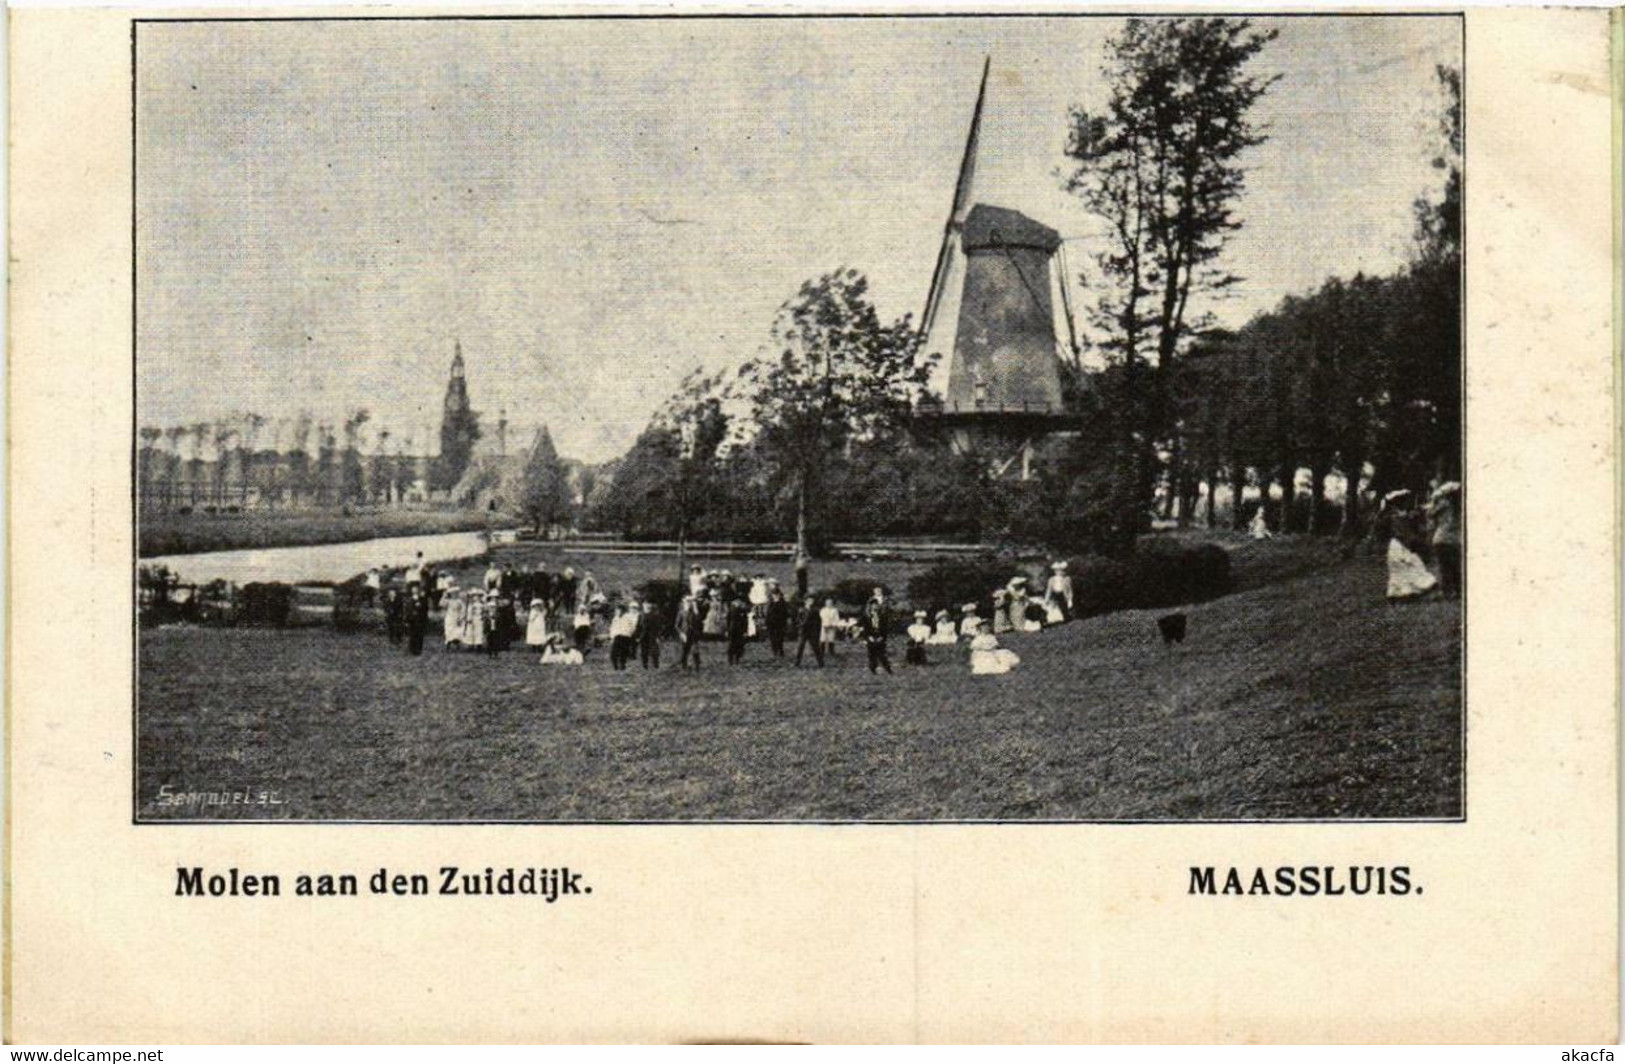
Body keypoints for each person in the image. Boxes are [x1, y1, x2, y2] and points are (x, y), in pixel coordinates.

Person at [1381, 490, 1438, 602]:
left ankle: (1407, 592)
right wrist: (1412, 541)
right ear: (1398, 503)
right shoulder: (1394, 516)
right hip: (1399, 544)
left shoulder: (1404, 515)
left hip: (1402, 543)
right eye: (1404, 501)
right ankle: (1402, 593)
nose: (1407, 503)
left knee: (1410, 565)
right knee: (1405, 566)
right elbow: (1401, 532)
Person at [1429, 481, 1462, 598]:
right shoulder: (1461, 506)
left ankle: (1447, 592)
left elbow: (1430, 513)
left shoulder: (1444, 504)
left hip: (1442, 538)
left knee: (1445, 567)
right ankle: (1458, 590)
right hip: (1456, 539)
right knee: (1456, 567)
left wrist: (1434, 499)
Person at [859, 597, 893, 674]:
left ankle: (888, 669)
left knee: (882, 654)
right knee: (872, 654)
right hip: (870, 636)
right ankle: (873, 669)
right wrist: (868, 637)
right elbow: (865, 628)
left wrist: (882, 637)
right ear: (870, 606)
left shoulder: (882, 616)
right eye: (873, 605)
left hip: (880, 636)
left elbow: (885, 628)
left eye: (876, 605)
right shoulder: (866, 617)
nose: (874, 607)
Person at [677, 594, 706, 671]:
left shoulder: (695, 612)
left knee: (695, 650)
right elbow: (677, 625)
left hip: (694, 634)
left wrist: (696, 610)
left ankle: (697, 666)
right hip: (685, 634)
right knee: (685, 650)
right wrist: (681, 633)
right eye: (688, 602)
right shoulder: (682, 612)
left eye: (691, 602)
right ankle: (684, 665)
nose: (690, 603)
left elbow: (699, 622)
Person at [794, 596, 824, 667]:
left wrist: (817, 630)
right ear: (805, 601)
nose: (810, 602)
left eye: (812, 601)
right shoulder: (801, 610)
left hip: (812, 631)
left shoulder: (815, 610)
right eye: (809, 601)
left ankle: (821, 663)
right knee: (800, 647)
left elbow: (819, 621)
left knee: (816, 647)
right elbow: (797, 620)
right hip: (803, 631)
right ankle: (797, 663)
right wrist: (800, 625)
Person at [608, 603, 637, 670]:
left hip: (625, 637)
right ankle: (615, 666)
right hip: (617, 636)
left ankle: (622, 666)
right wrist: (612, 637)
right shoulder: (615, 618)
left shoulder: (628, 617)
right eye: (616, 610)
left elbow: (632, 627)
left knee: (623, 653)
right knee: (613, 654)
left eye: (618, 610)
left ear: (622, 610)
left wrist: (629, 634)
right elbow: (612, 628)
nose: (617, 611)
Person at [763, 587, 790, 657]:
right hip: (771, 623)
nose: (775, 596)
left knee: (780, 638)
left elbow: (786, 613)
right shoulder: (770, 603)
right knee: (772, 638)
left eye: (777, 594)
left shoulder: (782, 603)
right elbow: (768, 613)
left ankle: (780, 651)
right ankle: (775, 651)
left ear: (780, 595)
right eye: (774, 594)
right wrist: (766, 622)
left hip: (780, 623)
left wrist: (784, 622)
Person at [404, 585, 429, 656]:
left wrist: (422, 616)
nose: (415, 591)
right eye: (413, 590)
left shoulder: (423, 599)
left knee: (420, 635)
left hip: (420, 620)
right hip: (412, 620)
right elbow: (407, 610)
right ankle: (412, 649)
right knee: (412, 635)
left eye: (416, 590)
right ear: (412, 591)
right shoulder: (409, 600)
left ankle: (418, 650)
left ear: (418, 591)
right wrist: (407, 620)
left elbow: (425, 610)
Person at [726, 596, 751, 665]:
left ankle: (737, 659)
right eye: (737, 602)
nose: (739, 603)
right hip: (732, 629)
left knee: (740, 645)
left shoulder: (743, 610)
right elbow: (728, 620)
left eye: (740, 602)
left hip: (740, 630)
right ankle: (730, 659)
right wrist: (727, 630)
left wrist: (745, 631)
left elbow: (745, 622)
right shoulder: (731, 609)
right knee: (731, 645)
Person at [637, 601, 662, 669]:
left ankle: (656, 666)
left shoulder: (655, 615)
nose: (646, 606)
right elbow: (638, 627)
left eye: (648, 604)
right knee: (644, 652)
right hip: (643, 636)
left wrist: (658, 637)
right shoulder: (641, 615)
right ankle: (645, 666)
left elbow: (658, 627)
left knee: (654, 651)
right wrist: (637, 637)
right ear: (643, 606)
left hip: (652, 636)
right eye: (645, 605)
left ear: (650, 606)